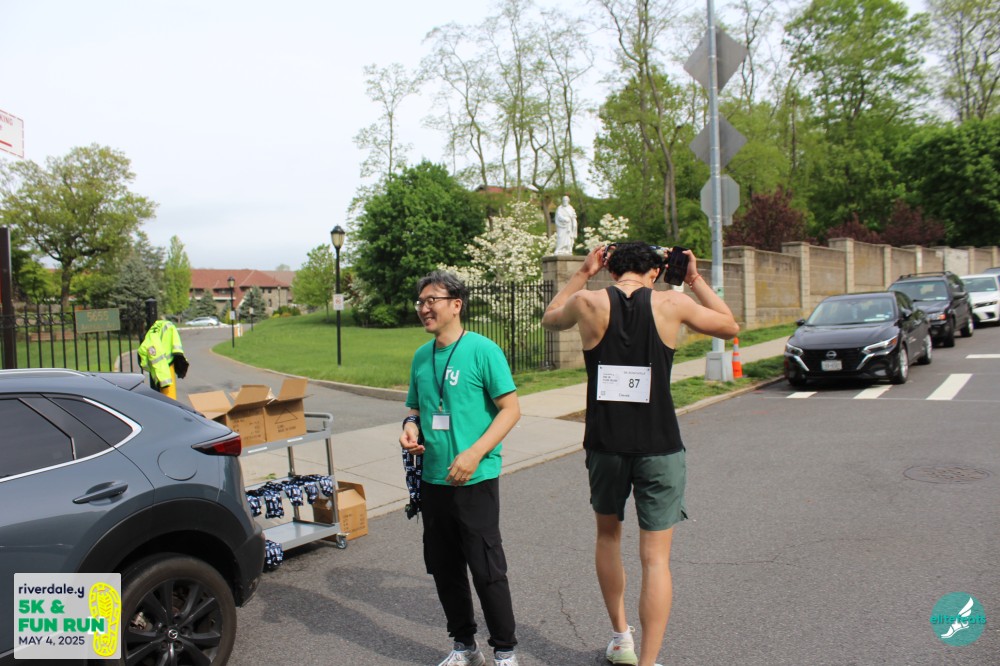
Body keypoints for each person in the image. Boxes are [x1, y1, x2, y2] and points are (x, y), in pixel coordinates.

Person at [540, 242, 738, 666]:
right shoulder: (672, 303)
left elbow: (549, 318)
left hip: (605, 443)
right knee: (656, 559)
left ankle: (621, 639)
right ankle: (647, 662)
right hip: (659, 445)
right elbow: (729, 325)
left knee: (608, 538)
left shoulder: (588, 301)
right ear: (656, 271)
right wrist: (693, 278)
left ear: (611, 270)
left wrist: (582, 272)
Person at [400, 270, 522, 666]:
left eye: (431, 300)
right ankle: (465, 647)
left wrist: (474, 453)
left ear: (456, 304)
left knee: (486, 568)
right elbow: (416, 409)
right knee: (444, 568)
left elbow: (511, 409)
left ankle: (505, 652)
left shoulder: (483, 350)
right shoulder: (421, 356)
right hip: (434, 477)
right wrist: (410, 427)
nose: (424, 308)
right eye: (420, 301)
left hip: (475, 477)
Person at [138, 318, 188, 399]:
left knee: (163, 400)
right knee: (169, 400)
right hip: (168, 368)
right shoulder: (168, 326)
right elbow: (177, 349)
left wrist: (148, 367)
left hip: (159, 374)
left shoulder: (150, 335)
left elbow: (143, 360)